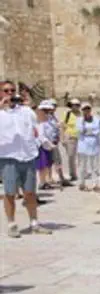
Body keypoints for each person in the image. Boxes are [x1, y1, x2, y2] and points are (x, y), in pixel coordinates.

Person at [0, 80, 52, 237]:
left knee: (30, 192)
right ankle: (11, 224)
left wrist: (32, 104)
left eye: (12, 91)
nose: (10, 94)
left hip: (27, 156)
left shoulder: (25, 111)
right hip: (8, 157)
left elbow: (42, 120)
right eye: (6, 91)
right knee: (9, 193)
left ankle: (34, 223)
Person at [76, 102, 100, 191]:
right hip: (83, 145)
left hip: (94, 144)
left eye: (88, 109)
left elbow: (97, 131)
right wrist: (84, 123)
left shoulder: (96, 119)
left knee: (94, 166)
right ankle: (81, 183)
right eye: (84, 109)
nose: (86, 111)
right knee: (82, 165)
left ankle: (95, 184)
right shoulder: (79, 120)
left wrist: (88, 131)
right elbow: (80, 131)